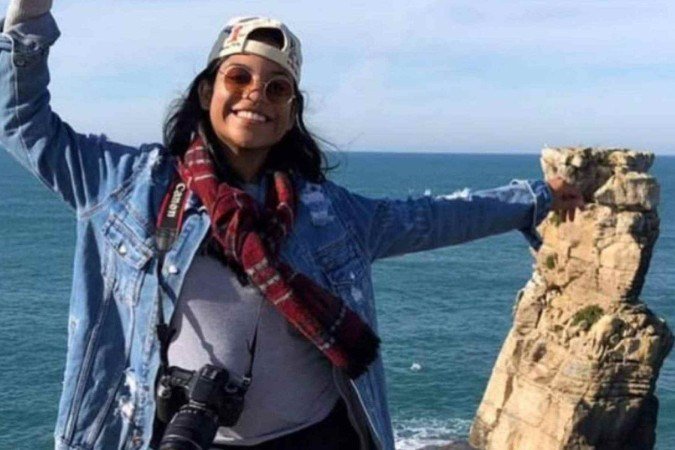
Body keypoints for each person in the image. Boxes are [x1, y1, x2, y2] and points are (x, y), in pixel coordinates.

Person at [0, 2, 584, 450]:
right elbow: (22, 123)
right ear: (206, 91)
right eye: (238, 77)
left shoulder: (329, 214)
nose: (256, 95)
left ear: (290, 114)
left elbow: (430, 218)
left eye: (277, 88)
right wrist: (30, 18)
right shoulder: (130, 186)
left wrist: (535, 198)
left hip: (318, 436)